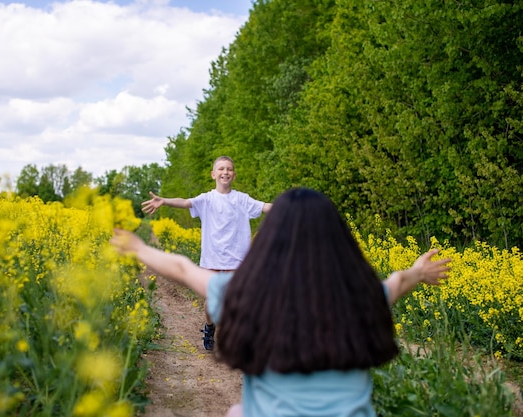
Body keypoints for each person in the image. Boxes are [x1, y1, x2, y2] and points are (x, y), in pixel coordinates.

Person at [111, 187, 452, 417]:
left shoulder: (247, 296)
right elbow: (397, 282)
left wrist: (139, 248)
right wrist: (419, 272)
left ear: (270, 240)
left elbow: (183, 270)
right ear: (338, 239)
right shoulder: (362, 297)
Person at [141, 156, 272, 351]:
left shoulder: (242, 199)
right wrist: (164, 201)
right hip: (212, 257)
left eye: (229, 169)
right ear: (213, 174)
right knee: (212, 300)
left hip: (237, 259)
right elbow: (185, 202)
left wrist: (290, 208)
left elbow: (265, 207)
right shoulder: (207, 199)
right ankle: (210, 328)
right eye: (221, 169)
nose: (225, 172)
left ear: (234, 175)